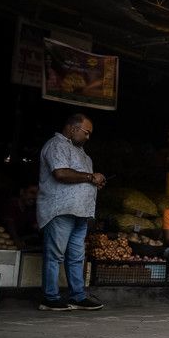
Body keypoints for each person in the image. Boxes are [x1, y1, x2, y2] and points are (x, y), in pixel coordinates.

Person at [37, 114, 106, 311]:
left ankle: (77, 295)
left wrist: (94, 183)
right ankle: (49, 297)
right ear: (73, 128)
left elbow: (84, 180)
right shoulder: (56, 145)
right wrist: (90, 177)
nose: (88, 137)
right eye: (86, 132)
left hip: (80, 212)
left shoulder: (83, 154)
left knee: (76, 256)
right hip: (60, 210)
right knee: (55, 255)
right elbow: (60, 173)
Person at [0, 183, 40, 249]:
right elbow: (10, 225)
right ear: (22, 192)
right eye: (32, 193)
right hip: (3, 240)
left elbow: (35, 226)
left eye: (37, 194)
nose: (35, 197)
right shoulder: (12, 204)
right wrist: (17, 241)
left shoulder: (30, 209)